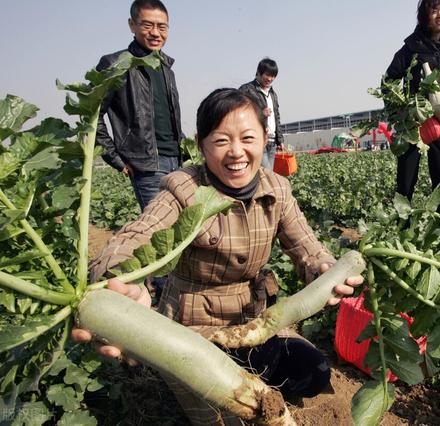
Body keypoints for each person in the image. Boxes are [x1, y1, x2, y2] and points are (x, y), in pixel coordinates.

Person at [74, 88, 363, 425]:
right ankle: (191, 378)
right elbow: (136, 237)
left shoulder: (277, 188)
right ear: (201, 144)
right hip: (194, 331)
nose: (236, 152)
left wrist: (322, 268)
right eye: (221, 140)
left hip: (254, 322)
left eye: (247, 138)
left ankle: (247, 369)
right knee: (224, 417)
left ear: (263, 139)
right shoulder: (183, 189)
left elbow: (306, 247)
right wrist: (118, 281)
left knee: (313, 372)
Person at [96, 0, 184, 299]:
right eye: (147, 25)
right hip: (146, 162)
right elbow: (93, 117)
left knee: (181, 228)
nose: (155, 32)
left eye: (161, 26)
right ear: (132, 25)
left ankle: (173, 287)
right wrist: (114, 156)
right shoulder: (116, 64)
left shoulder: (166, 66)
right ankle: (162, 294)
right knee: (158, 231)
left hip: (175, 158)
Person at [386, 0, 440, 216]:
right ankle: (401, 225)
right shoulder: (411, 46)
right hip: (412, 122)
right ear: (425, 15)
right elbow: (389, 80)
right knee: (405, 181)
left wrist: (438, 79)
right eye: (434, 10)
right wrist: (401, 110)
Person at [239, 58, 284, 170]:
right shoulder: (246, 90)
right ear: (258, 73)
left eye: (273, 76)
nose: (270, 79)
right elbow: (238, 114)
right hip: (258, 139)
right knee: (267, 174)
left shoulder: (273, 93)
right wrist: (260, 113)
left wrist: (280, 140)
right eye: (267, 75)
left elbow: (276, 117)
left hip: (272, 141)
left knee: (266, 175)